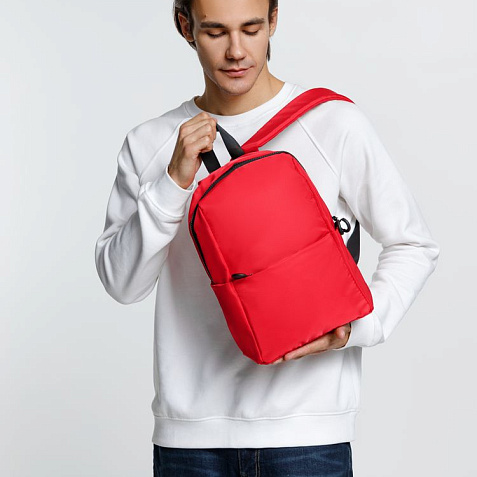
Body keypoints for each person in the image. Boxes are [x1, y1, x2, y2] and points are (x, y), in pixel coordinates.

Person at [94, 0, 440, 475]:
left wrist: (357, 326)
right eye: (215, 31)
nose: (237, 50)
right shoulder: (151, 143)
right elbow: (121, 283)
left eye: (252, 28)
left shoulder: (332, 123)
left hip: (308, 435)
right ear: (185, 26)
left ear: (274, 20)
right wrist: (173, 182)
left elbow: (414, 244)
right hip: (190, 440)